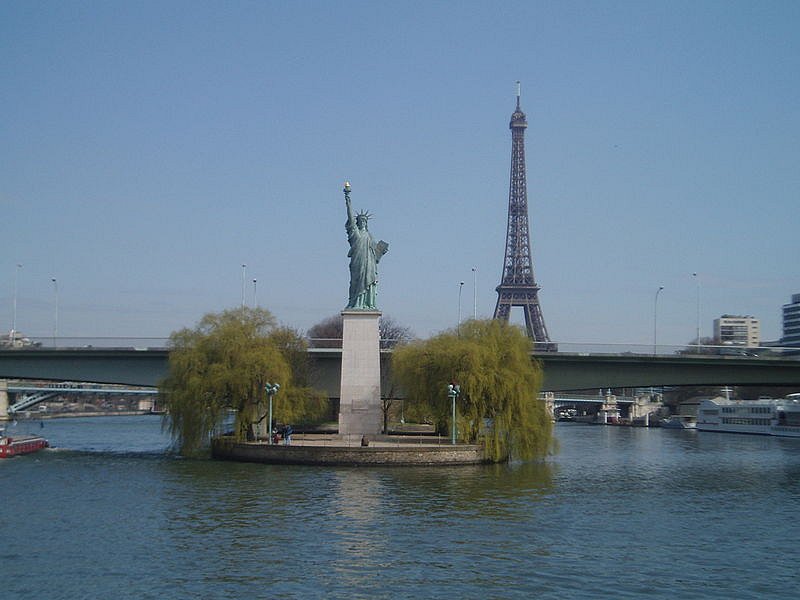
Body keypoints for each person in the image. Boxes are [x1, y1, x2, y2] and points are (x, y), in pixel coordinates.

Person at [344, 183, 388, 310]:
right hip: (358, 262)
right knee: (355, 282)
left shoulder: (370, 236)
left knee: (368, 282)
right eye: (360, 220)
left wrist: (382, 250)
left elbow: (376, 252)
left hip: (369, 264)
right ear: (357, 223)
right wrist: (348, 199)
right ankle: (355, 303)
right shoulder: (355, 233)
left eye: (365, 221)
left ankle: (367, 304)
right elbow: (350, 217)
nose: (363, 222)